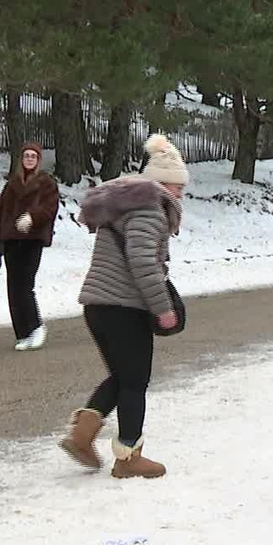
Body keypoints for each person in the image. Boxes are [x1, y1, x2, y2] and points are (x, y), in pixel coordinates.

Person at [57, 135, 186, 479]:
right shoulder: (149, 209)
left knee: (123, 377)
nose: (181, 196)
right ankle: (129, 457)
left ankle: (83, 435)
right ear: (163, 185)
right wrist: (163, 308)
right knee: (135, 382)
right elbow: (143, 263)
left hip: (100, 306)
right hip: (124, 307)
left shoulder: (125, 206)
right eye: (179, 188)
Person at [0, 142, 60, 352]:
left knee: (26, 285)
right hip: (11, 239)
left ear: (38, 160)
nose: (29, 159)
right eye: (26, 156)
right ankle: (22, 332)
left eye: (33, 156)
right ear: (21, 159)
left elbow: (50, 208)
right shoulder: (11, 184)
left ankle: (35, 326)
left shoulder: (46, 183)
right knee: (13, 287)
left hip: (32, 239)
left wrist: (32, 217)